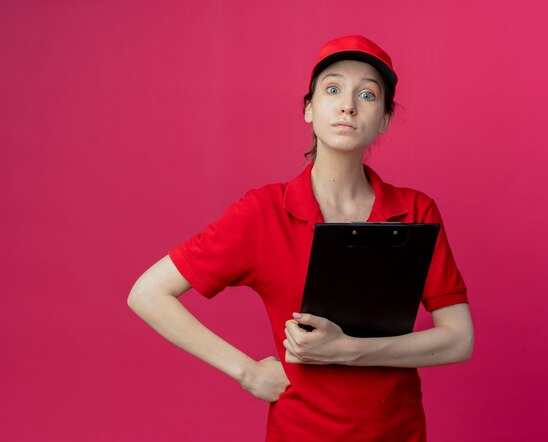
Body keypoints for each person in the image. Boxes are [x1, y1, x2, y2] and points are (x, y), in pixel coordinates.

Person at [128, 35, 474, 442]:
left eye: (367, 94)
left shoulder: (415, 212)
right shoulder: (263, 212)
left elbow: (458, 340)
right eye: (332, 89)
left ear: (383, 118)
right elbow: (147, 294)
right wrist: (247, 372)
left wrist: (349, 351)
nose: (348, 104)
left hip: (397, 431)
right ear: (309, 109)